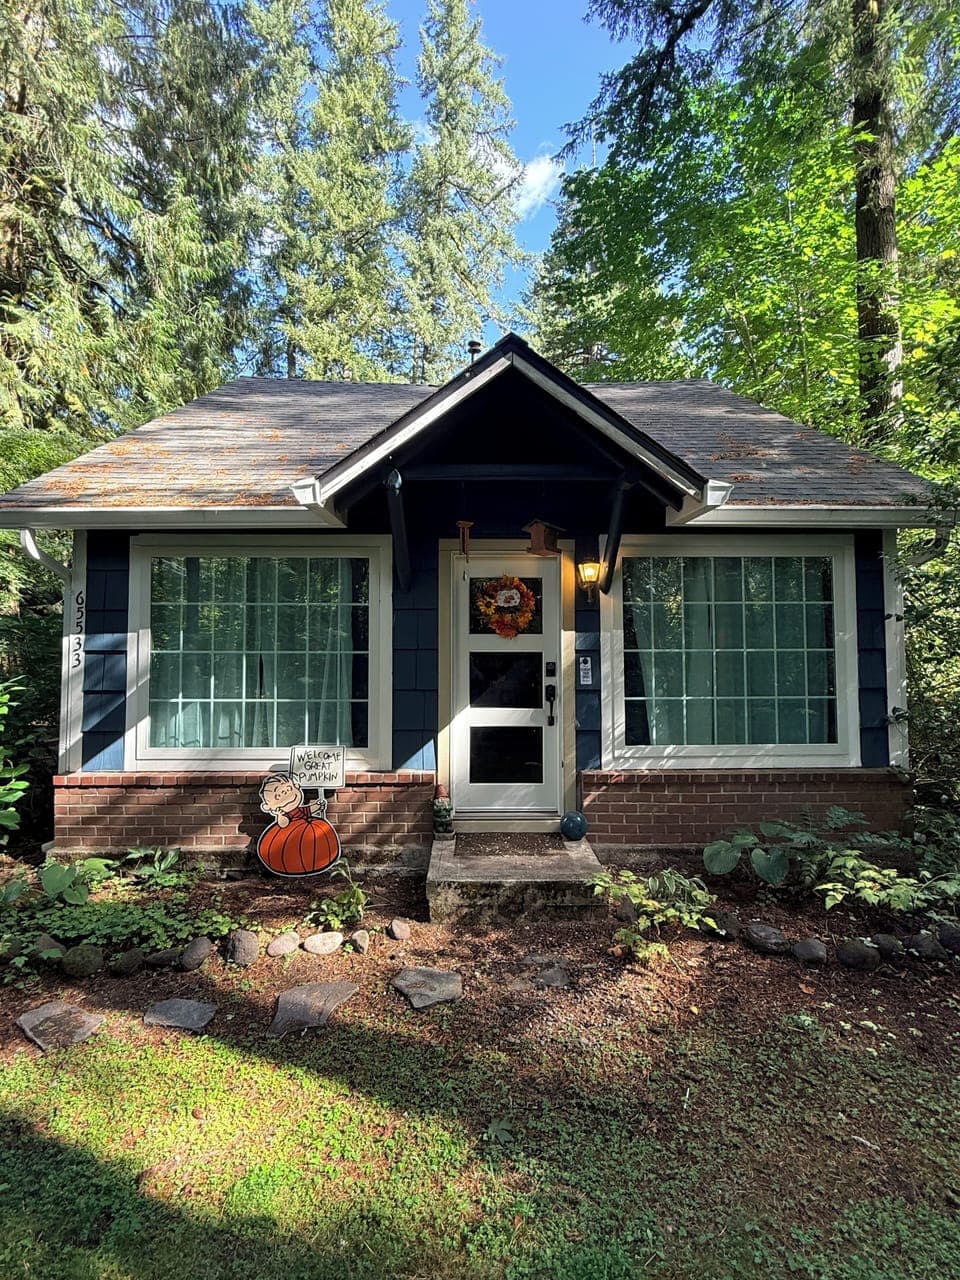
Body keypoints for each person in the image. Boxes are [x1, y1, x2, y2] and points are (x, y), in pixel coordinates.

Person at [259, 772, 324, 827]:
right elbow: (283, 824)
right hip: (292, 833)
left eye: (289, 789)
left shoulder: (299, 810)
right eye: (278, 795)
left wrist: (318, 806)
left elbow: (308, 810)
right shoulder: (286, 814)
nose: (286, 795)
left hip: (308, 828)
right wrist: (280, 815)